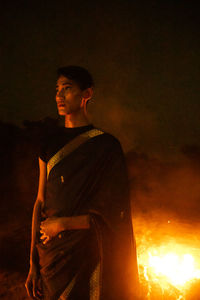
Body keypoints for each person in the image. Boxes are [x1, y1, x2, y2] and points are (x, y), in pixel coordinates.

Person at [25, 66, 139, 300]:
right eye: (57, 89)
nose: (59, 96)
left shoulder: (106, 146)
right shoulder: (48, 144)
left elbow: (113, 213)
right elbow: (40, 202)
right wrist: (33, 264)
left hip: (89, 253)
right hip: (52, 257)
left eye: (67, 89)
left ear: (87, 94)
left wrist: (64, 224)